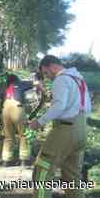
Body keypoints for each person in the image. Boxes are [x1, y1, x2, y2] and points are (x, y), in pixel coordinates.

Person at [29, 55, 91, 198]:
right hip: (81, 129)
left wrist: (39, 122)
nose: (47, 77)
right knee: (72, 176)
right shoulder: (79, 79)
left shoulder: (61, 79)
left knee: (43, 169)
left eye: (45, 72)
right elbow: (86, 107)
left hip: (65, 129)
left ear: (51, 66)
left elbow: (59, 107)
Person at [1, 73, 43, 167]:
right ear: (16, 79)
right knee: (23, 134)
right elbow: (36, 83)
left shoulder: (5, 88)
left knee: (8, 136)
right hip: (17, 108)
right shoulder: (20, 83)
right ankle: (24, 160)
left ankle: (6, 161)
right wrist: (41, 90)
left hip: (5, 109)